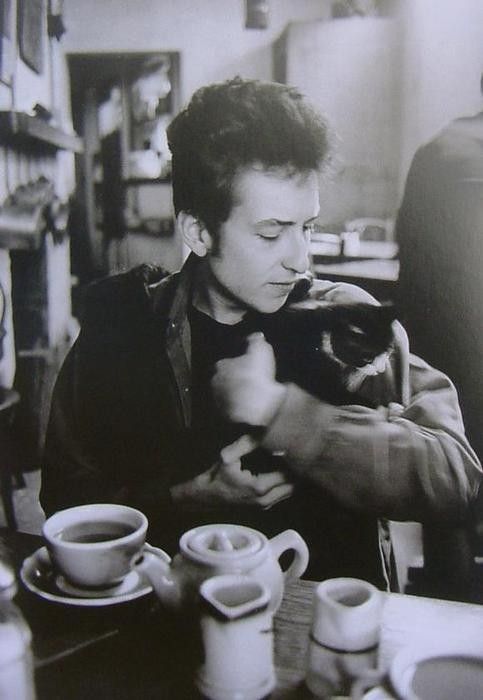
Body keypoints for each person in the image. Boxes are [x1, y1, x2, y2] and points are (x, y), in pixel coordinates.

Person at [40, 77, 481, 589]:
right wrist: (188, 496)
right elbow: (65, 503)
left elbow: (459, 479)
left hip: (327, 632)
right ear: (198, 232)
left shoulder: (347, 323)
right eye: (271, 232)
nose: (300, 259)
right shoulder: (119, 325)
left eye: (308, 227)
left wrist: (286, 415)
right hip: (168, 621)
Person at [395, 76, 483, 597]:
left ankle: (451, 598)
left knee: (448, 483)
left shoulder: (438, 151)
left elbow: (411, 260)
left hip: (446, 356)